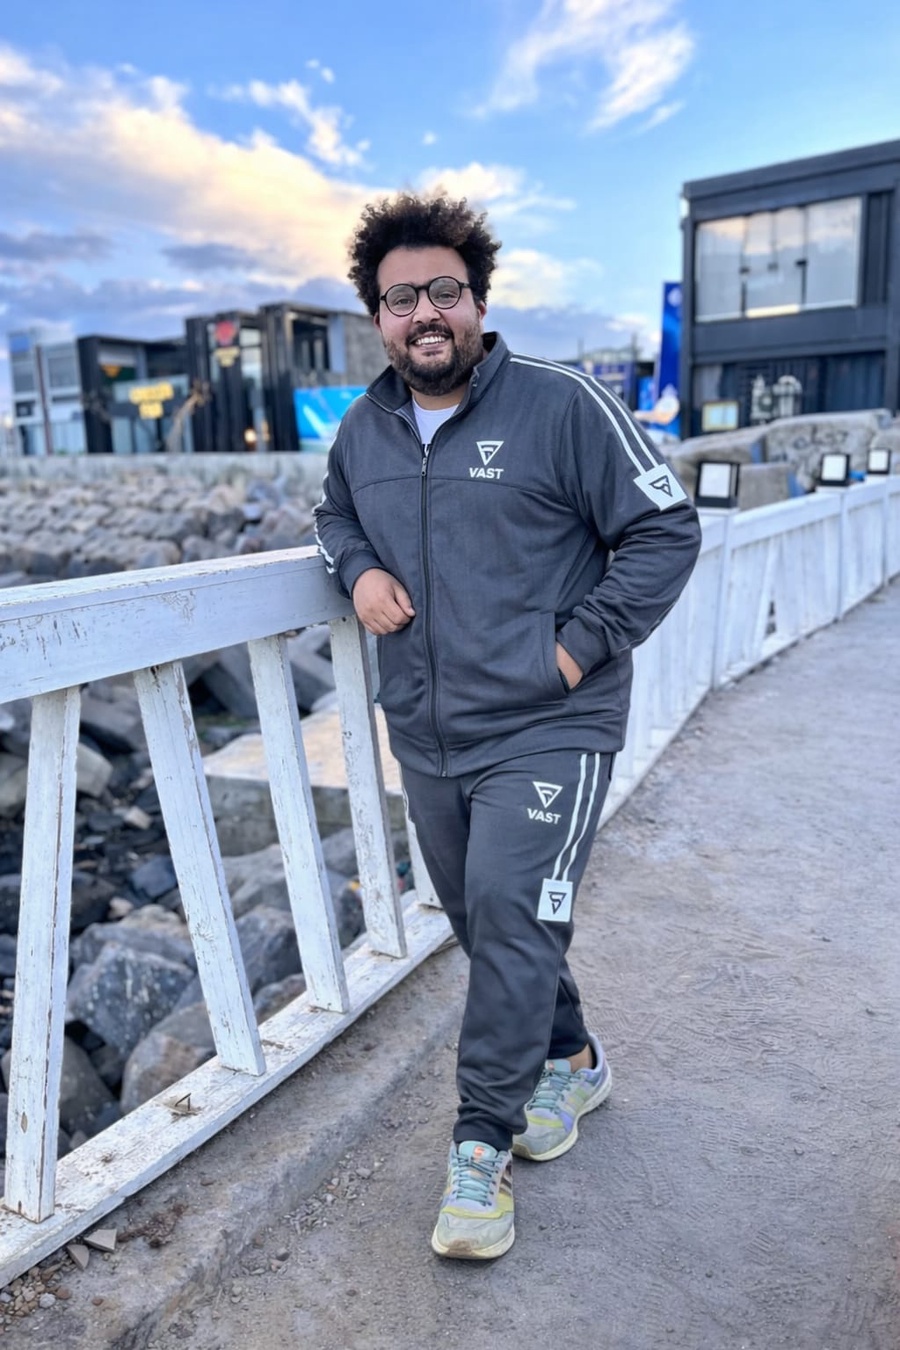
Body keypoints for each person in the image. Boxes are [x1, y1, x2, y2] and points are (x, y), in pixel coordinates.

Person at [314, 193, 701, 1261]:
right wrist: (359, 569)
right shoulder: (363, 429)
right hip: (429, 730)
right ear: (378, 319)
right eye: (401, 299)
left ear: (479, 302)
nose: (424, 314)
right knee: (494, 922)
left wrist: (573, 651)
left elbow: (666, 530)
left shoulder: (561, 404)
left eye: (444, 290)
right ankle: (572, 1061)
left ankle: (480, 1150)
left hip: (550, 722)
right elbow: (333, 514)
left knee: (510, 910)